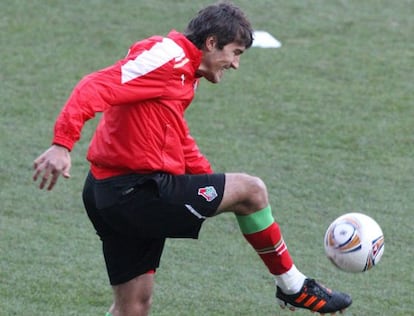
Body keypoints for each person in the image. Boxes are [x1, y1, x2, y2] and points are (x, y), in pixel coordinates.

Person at [33, 2, 352, 315]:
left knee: (133, 307)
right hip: (134, 192)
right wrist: (62, 143)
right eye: (235, 53)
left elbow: (177, 136)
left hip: (111, 193)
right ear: (212, 43)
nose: (235, 64)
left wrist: (208, 181)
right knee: (251, 191)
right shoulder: (166, 57)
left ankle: (291, 286)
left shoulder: (184, 73)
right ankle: (293, 286)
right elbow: (95, 85)